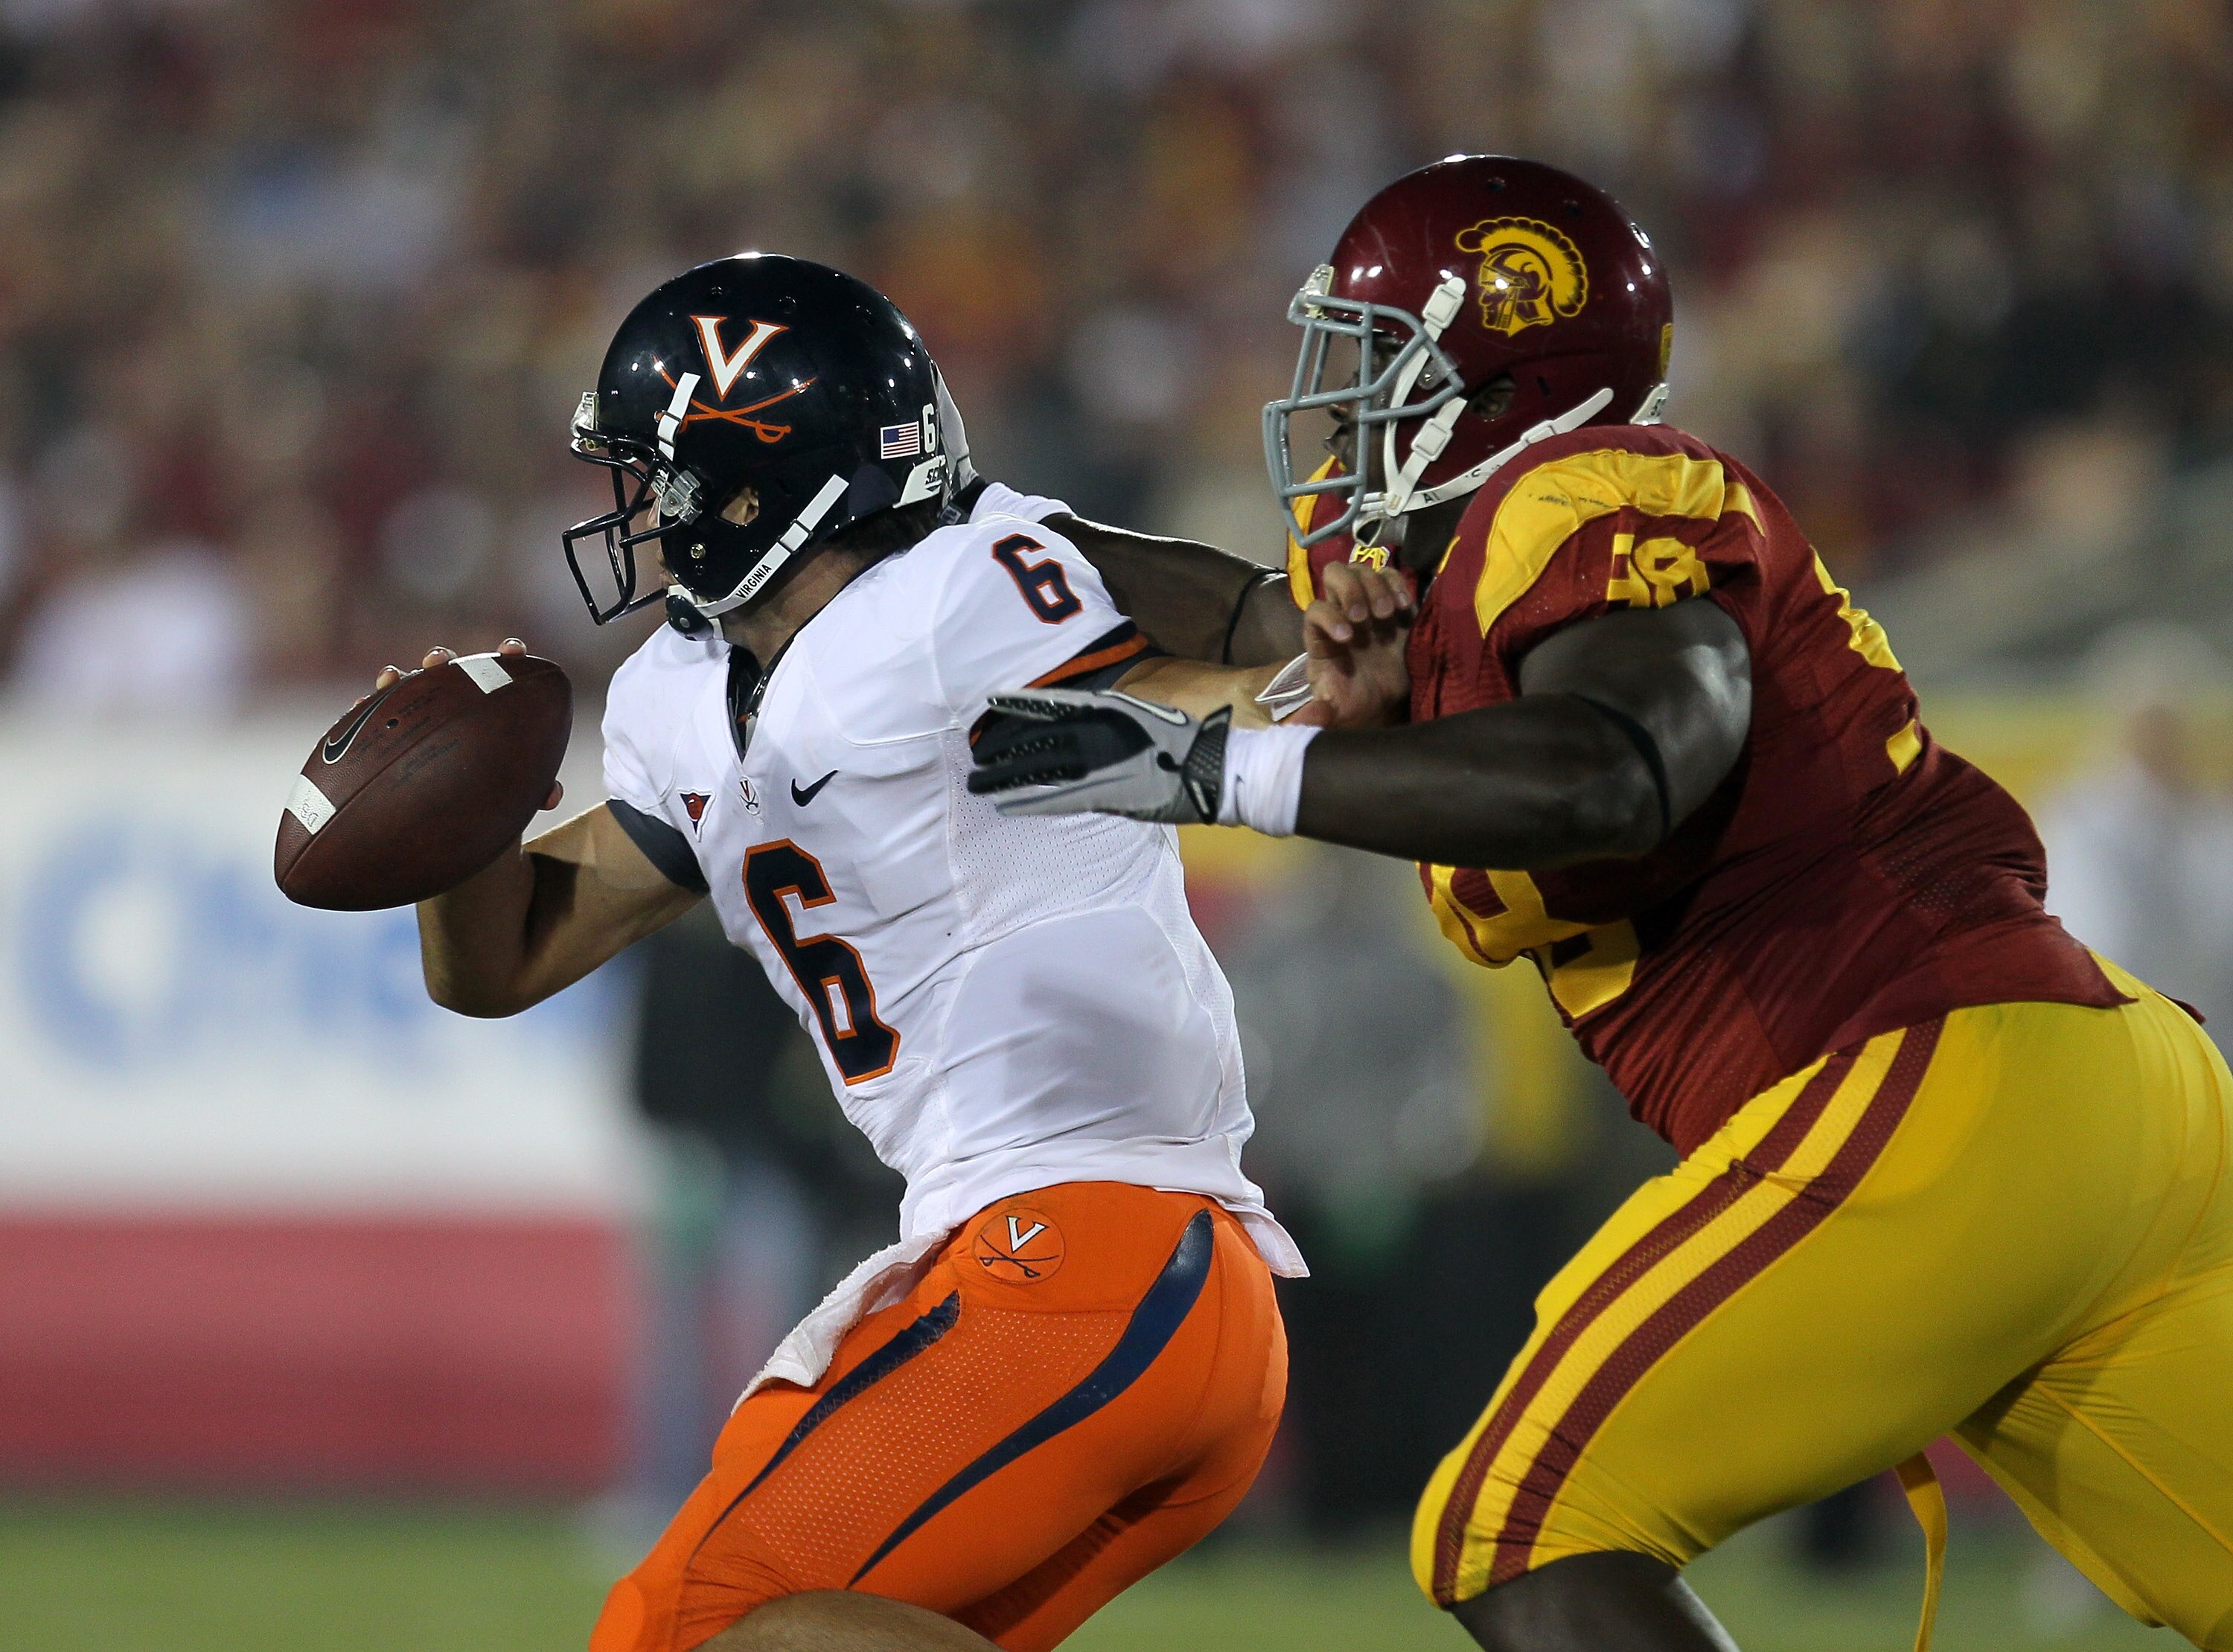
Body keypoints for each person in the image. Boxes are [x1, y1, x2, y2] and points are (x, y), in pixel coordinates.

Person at [968, 157, 2233, 1651]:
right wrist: (1373, 722)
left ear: (1502, 374)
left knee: (1521, 1526)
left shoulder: (1578, 490)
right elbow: (1413, 697)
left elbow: (1623, 771)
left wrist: (1210, 771)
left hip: (1928, 1069)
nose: (1340, 414)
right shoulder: (1486, 593)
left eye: (1379, 366)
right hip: (2092, 1093)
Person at [392, 253, 1307, 1652]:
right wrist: (449, 831)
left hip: (1095, 1250)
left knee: (697, 1628)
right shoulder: (675, 698)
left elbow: (1232, 646)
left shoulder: (954, 589)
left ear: (764, 476)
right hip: (1031, 1268)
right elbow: (499, 961)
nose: (638, 506)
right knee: (686, 1632)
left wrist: (1314, 676)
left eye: (664, 471)